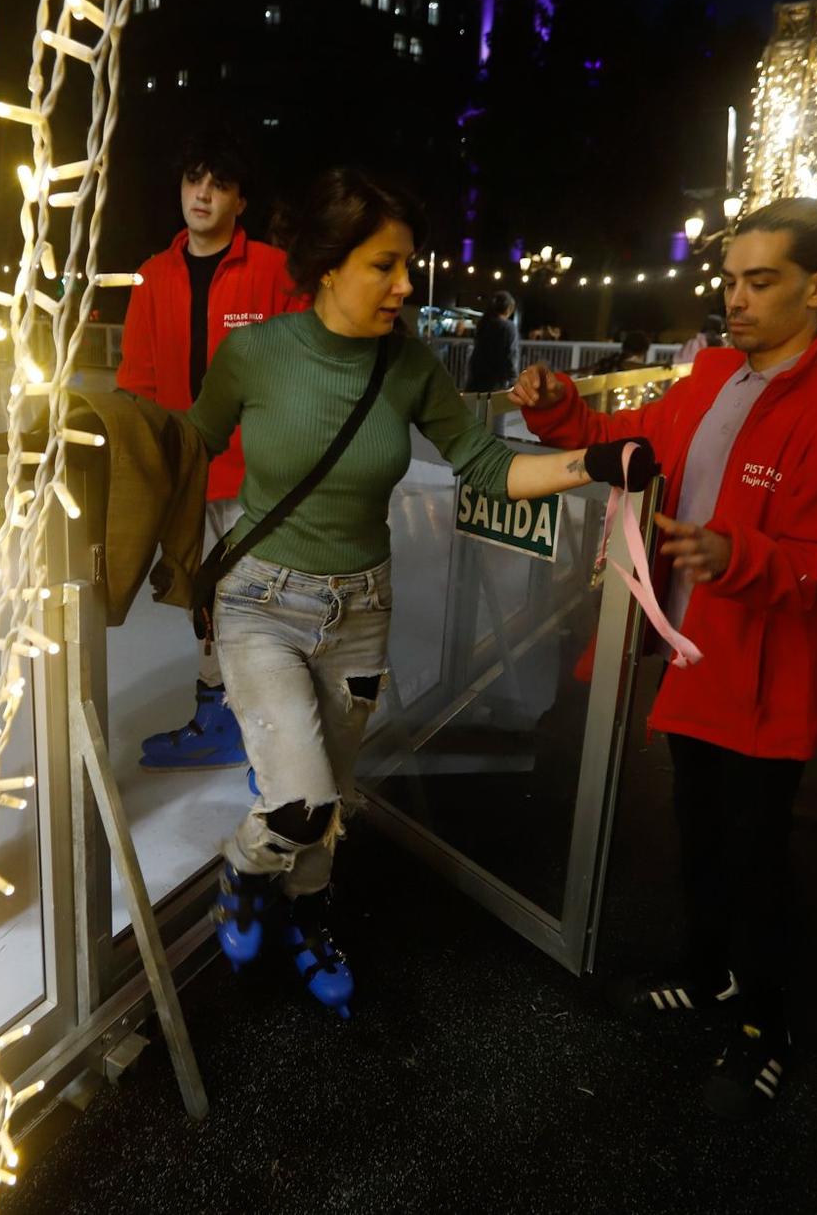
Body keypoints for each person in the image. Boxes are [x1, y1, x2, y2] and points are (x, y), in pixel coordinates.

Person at [187, 167, 648, 1016]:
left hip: (360, 612)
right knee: (299, 796)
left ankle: (309, 919)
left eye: (407, 264)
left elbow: (481, 463)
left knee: (338, 796)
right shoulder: (255, 353)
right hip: (262, 605)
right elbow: (188, 449)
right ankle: (247, 872)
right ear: (328, 264)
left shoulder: (408, 365)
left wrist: (595, 462)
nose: (406, 284)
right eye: (384, 265)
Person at [510, 198, 817, 1119]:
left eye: (762, 282)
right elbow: (620, 444)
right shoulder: (711, 377)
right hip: (695, 657)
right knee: (696, 828)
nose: (739, 299)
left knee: (757, 854)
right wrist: (558, 405)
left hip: (766, 680)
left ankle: (767, 1026)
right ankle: (705, 969)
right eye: (732, 280)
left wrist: (736, 555)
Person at [117, 128, 307, 773]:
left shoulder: (274, 272)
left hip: (264, 476)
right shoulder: (151, 276)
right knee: (205, 603)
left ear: (240, 201)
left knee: (265, 604)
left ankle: (276, 742)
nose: (202, 194)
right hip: (190, 475)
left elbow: (313, 362)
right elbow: (137, 383)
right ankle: (217, 721)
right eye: (193, 181)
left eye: (218, 184)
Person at [465, 289, 522, 392]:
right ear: (508, 308)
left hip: (477, 375)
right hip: (496, 380)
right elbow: (511, 354)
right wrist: (514, 379)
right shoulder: (508, 327)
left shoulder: (483, 323)